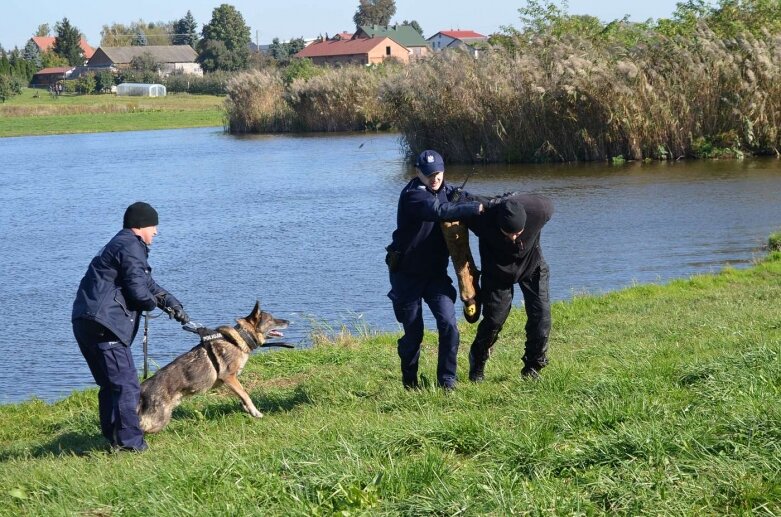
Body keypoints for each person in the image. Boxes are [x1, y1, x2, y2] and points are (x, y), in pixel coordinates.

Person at [72, 201, 190, 452]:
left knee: (111, 384)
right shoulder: (130, 246)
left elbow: (147, 283)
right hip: (105, 325)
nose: (156, 232)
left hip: (86, 322)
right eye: (153, 226)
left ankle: (114, 437)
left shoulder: (120, 244)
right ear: (139, 227)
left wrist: (172, 305)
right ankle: (130, 444)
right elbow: (139, 291)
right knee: (126, 384)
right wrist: (148, 305)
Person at [386, 150, 483, 390]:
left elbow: (473, 201)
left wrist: (492, 204)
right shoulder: (412, 195)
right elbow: (439, 211)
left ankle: (447, 380)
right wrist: (471, 208)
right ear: (417, 172)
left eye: (438, 173)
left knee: (449, 324)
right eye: (428, 174)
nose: (434, 179)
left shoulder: (449, 192)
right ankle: (410, 382)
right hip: (406, 275)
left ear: (443, 171)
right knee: (414, 333)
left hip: (435, 276)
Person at [464, 192, 554, 381]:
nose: (513, 237)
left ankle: (533, 367)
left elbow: (542, 197)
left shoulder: (540, 210)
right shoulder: (482, 219)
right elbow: (453, 200)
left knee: (541, 316)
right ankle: (477, 361)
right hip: (496, 272)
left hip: (532, 265)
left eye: (517, 233)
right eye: (508, 233)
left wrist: (512, 197)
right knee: (494, 320)